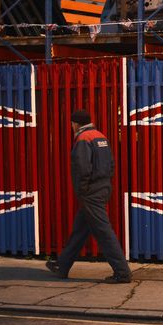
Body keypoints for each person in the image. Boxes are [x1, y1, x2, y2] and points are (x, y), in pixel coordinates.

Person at [46, 110, 132, 284]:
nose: (71, 127)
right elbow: (112, 163)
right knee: (80, 230)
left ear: (75, 124)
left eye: (71, 124)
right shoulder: (100, 136)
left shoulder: (83, 139)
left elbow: (82, 168)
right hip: (103, 187)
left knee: (103, 232)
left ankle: (122, 272)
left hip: (91, 192)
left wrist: (82, 190)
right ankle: (62, 266)